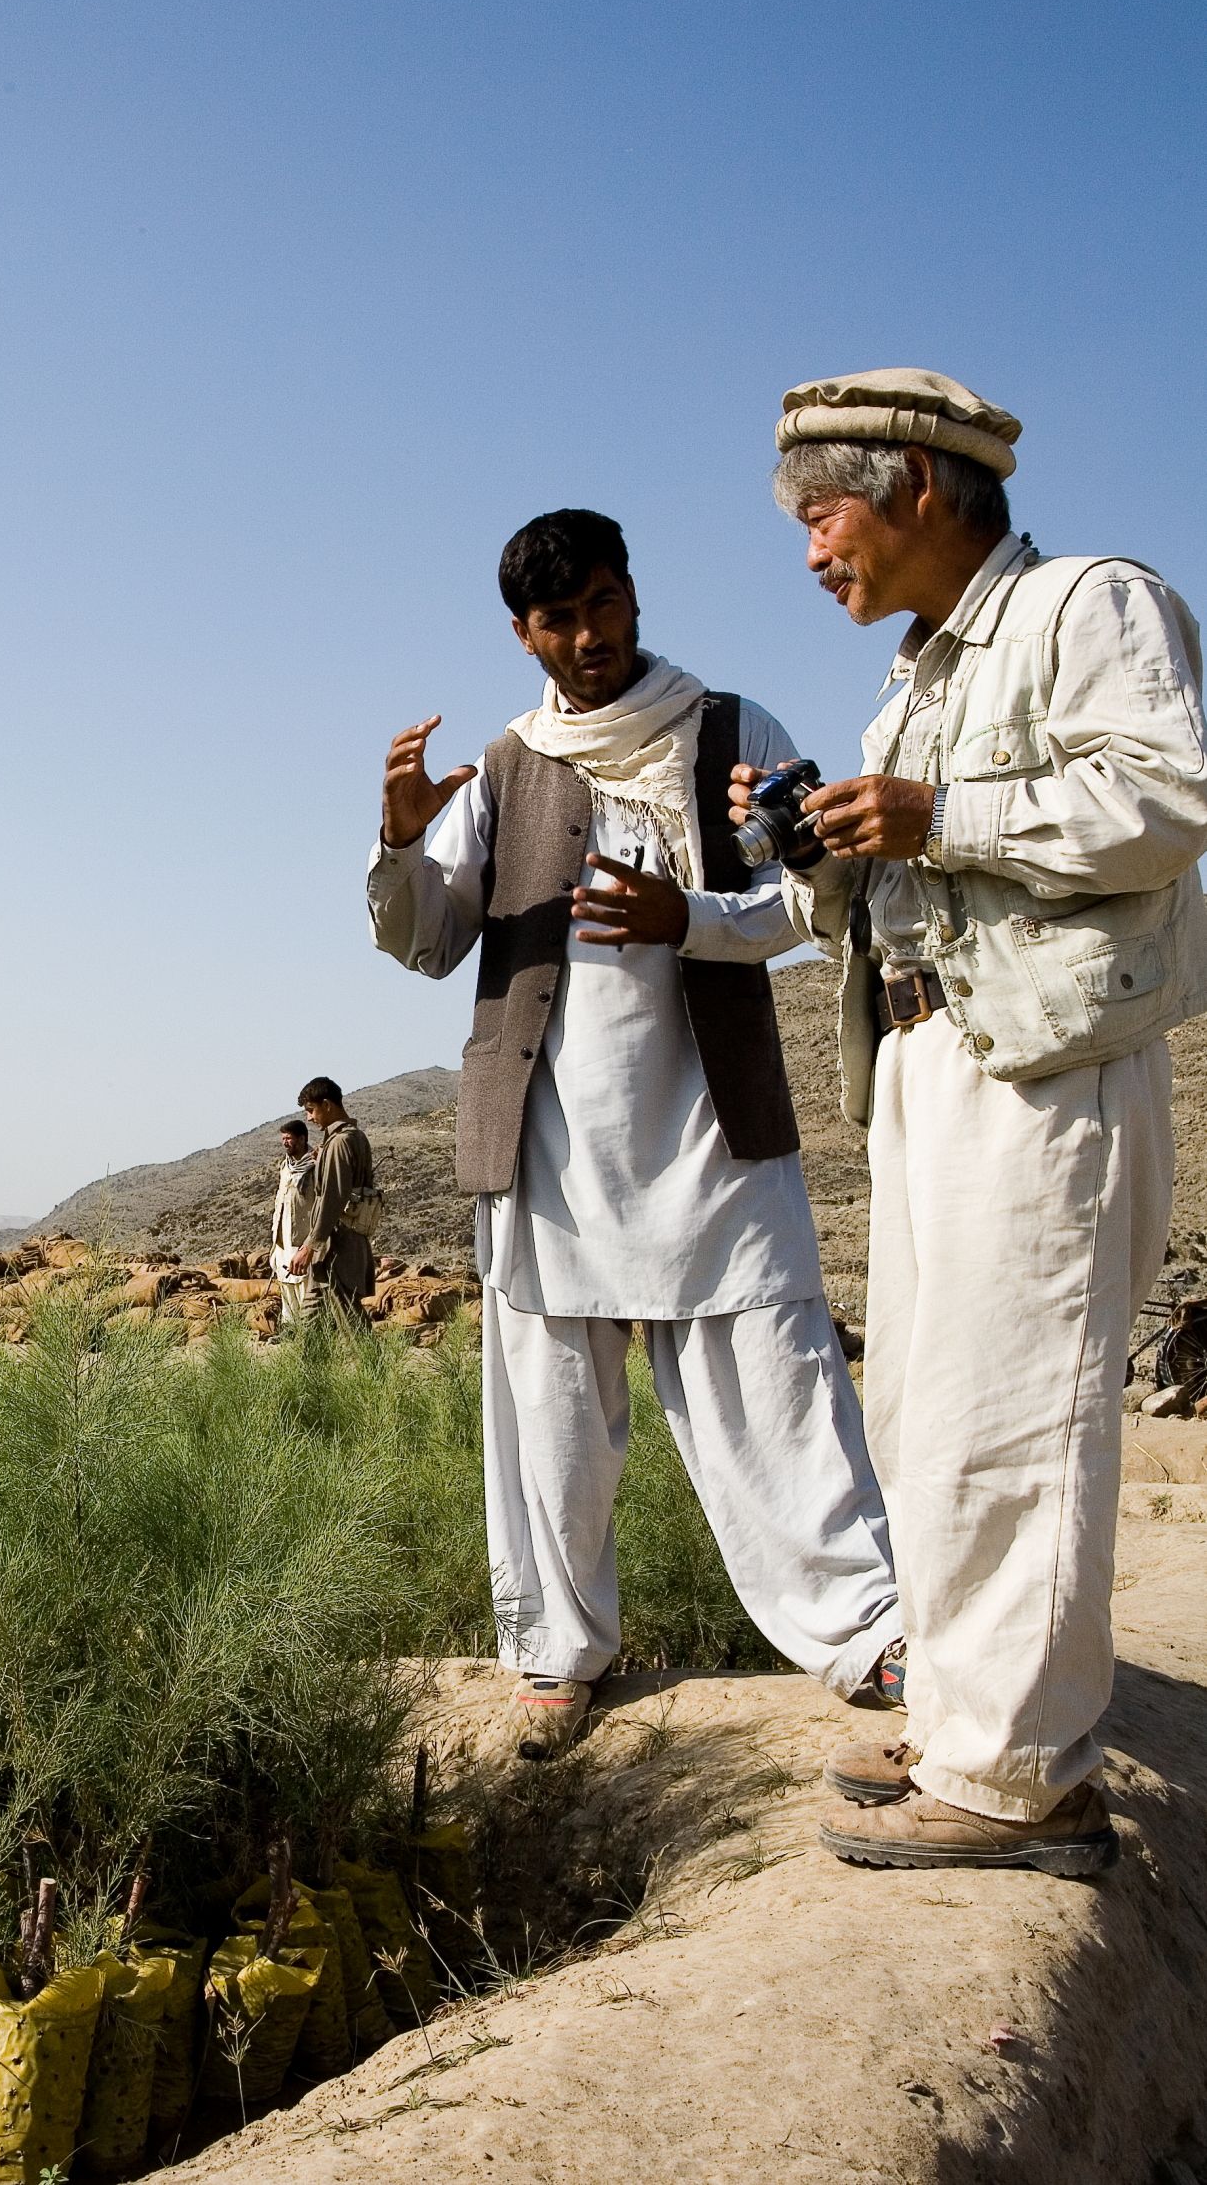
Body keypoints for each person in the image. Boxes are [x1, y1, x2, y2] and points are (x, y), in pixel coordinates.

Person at [744, 367, 1207, 1874]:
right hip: (927, 1062)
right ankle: (953, 1715)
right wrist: (820, 842)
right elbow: (907, 887)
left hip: (1046, 1071)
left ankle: (1021, 1783)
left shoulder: (1089, 604)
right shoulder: (916, 678)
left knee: (1014, 1408)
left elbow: (1161, 798)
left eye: (820, 517)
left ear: (915, 489)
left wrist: (936, 816)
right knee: (926, 1410)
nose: (812, 554)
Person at [368, 507, 902, 1759]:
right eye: (556, 620)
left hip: (710, 1127)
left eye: (601, 605)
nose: (586, 637)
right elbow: (426, 941)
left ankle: (861, 1630)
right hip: (549, 1137)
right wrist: (399, 836)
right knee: (551, 1405)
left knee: (773, 1381)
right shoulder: (503, 765)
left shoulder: (731, 728)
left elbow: (811, 898)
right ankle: (554, 1653)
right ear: (522, 634)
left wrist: (689, 918)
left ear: (631, 596)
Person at [288, 1078, 377, 1323]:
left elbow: (332, 1199)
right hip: (335, 1246)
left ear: (327, 1105)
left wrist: (309, 1247)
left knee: (352, 1328)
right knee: (309, 1326)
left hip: (337, 1248)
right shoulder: (353, 1138)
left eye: (311, 1110)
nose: (309, 1118)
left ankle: (372, 1363)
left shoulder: (340, 1142)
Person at [270, 1118, 317, 1328]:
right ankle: (290, 1327)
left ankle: (307, 1329)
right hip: (283, 1236)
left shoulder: (315, 1167)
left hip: (303, 1237)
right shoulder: (285, 1167)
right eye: (283, 1138)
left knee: (304, 1283)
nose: (285, 1142)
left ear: (302, 1138)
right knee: (285, 1280)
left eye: (289, 1138)